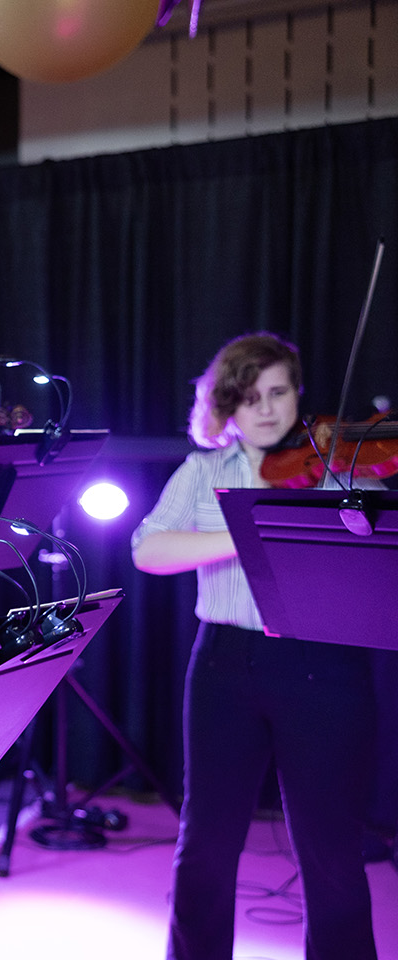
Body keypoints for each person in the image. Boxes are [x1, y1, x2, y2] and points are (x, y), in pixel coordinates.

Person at [131, 332, 377, 960]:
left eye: (278, 392)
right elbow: (148, 549)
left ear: (298, 395)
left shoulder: (341, 469)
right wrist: (247, 534)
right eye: (248, 397)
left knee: (330, 848)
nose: (266, 410)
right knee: (206, 841)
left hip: (325, 670)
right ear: (226, 408)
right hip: (223, 667)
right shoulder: (203, 470)